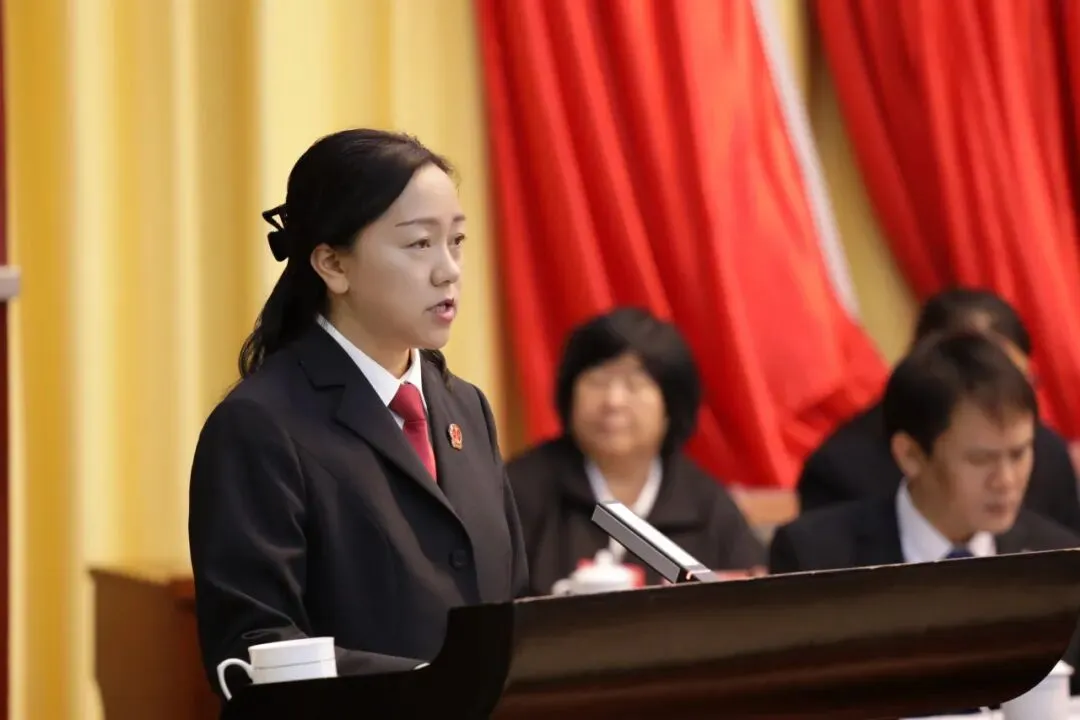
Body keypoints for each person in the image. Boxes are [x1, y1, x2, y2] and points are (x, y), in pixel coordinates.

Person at [187, 129, 528, 694]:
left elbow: (512, 602)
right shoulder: (259, 425)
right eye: (420, 244)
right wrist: (437, 687)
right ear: (332, 264)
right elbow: (256, 647)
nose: (448, 270)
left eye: (457, 240)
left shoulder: (466, 407)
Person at [771, 330, 1080, 574]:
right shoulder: (817, 558)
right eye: (980, 459)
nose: (1006, 480)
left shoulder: (1060, 559)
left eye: (1018, 454)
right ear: (910, 455)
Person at [507, 307, 764, 596]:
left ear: (671, 404)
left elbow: (751, 604)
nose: (613, 401)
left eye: (634, 384)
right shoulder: (520, 492)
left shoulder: (706, 506)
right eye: (598, 381)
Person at [797, 287, 1080, 535]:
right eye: (980, 459)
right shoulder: (840, 471)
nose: (1005, 480)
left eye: (1017, 382)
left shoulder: (1047, 452)